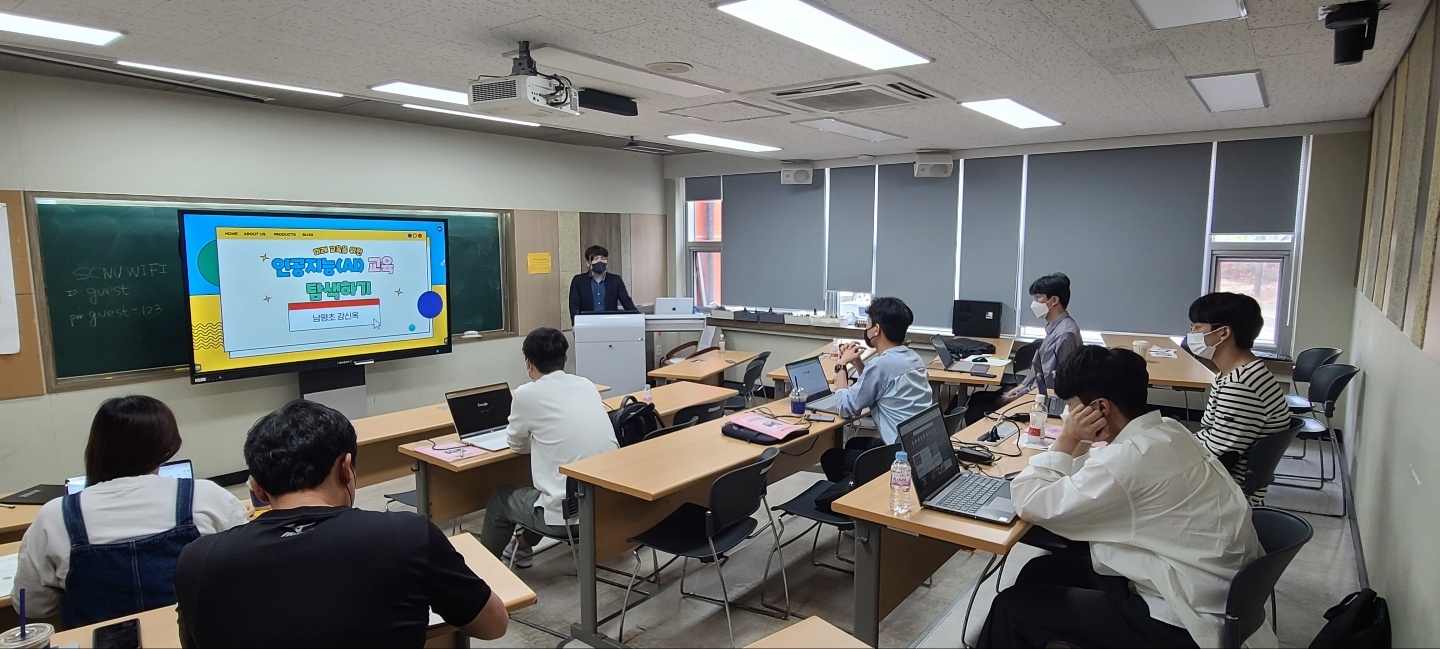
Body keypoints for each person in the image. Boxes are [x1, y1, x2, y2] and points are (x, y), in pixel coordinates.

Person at [979, 346, 1269, 648]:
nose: (1067, 415)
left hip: (1179, 618)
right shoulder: (1169, 431)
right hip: (1211, 589)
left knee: (1011, 607)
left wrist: (1068, 437)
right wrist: (1080, 441)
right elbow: (1097, 475)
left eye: (1071, 407)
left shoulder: (1128, 462)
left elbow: (1031, 502)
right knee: (1040, 571)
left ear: (1100, 408)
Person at [174, 400, 507, 647]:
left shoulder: (197, 559)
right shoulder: (407, 536)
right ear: (346, 468)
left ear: (257, 488)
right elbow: (493, 625)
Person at [10, 396, 246, 628]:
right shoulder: (206, 496)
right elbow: (246, 565)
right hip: (190, 638)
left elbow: (31, 605)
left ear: (97, 447)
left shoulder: (54, 516)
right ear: (167, 447)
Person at [479, 327, 618, 566]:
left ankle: (483, 571)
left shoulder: (526, 394)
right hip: (607, 503)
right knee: (543, 490)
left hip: (569, 516)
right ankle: (522, 546)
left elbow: (515, 444)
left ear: (529, 363)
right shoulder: (585, 384)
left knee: (501, 498)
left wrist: (540, 442)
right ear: (564, 357)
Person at [1188, 292, 1291, 503]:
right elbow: (1214, 437)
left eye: (1197, 327)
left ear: (1223, 333)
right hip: (1220, 481)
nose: (1191, 334)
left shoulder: (1241, 385)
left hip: (1225, 495)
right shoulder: (1240, 373)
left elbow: (1220, 456)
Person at [820, 296, 935, 481]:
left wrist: (841, 365)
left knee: (831, 458)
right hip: (918, 444)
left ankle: (851, 496)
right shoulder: (913, 358)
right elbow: (877, 388)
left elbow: (846, 408)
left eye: (868, 324)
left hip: (899, 456)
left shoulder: (881, 365)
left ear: (876, 330)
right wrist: (858, 363)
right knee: (854, 443)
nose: (866, 329)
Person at [966, 273, 1083, 424]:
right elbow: (1039, 372)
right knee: (976, 398)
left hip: (1044, 401)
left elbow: (1048, 382)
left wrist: (1017, 396)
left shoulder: (1064, 334)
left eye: (1038, 297)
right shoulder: (1056, 328)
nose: (1034, 303)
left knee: (974, 412)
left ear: (1054, 300)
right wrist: (1021, 387)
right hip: (1034, 392)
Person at [568, 245, 637, 323]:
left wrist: (638, 318)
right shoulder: (578, 280)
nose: (600, 261)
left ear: (607, 264)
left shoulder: (615, 280)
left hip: (610, 323)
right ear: (588, 263)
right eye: (596, 258)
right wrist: (575, 323)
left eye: (603, 259)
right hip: (587, 323)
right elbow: (574, 305)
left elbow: (626, 301)